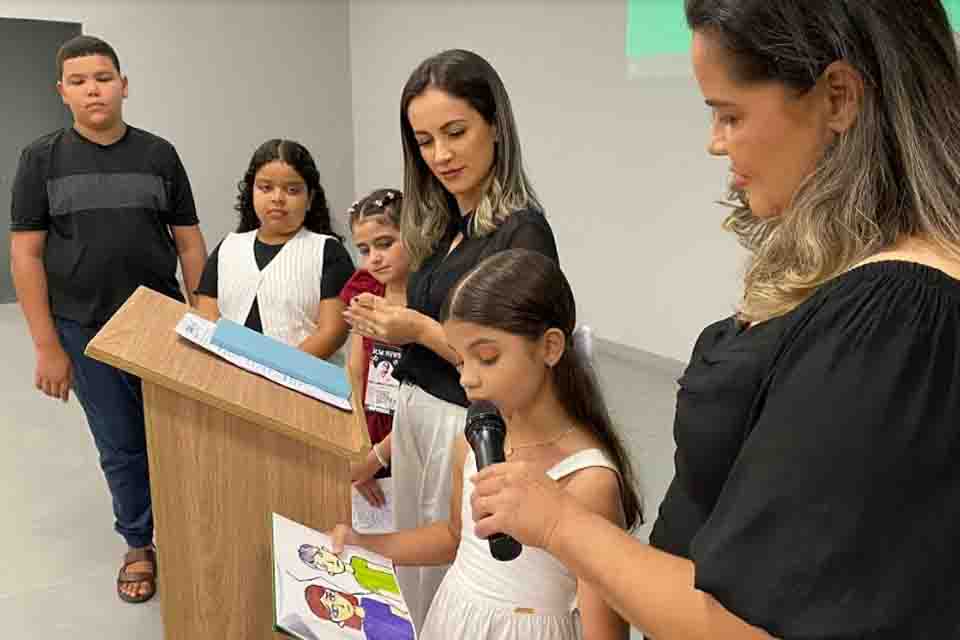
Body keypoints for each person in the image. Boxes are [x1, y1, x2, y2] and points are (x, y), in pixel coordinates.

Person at [469, 1, 960, 638]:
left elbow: (749, 625)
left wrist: (560, 522)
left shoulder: (896, 320)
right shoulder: (856, 278)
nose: (715, 142)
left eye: (730, 115)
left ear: (838, 98)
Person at [342, 48, 559, 631]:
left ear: (496, 126)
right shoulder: (442, 226)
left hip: (467, 426)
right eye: (424, 141)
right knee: (414, 575)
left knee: (449, 572)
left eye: (456, 133)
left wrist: (415, 328)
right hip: (417, 416)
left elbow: (514, 364)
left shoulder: (521, 233)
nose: (440, 155)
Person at [333, 249, 641, 639]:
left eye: (487, 358)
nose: (467, 379)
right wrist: (365, 544)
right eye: (461, 361)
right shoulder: (472, 440)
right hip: (453, 620)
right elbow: (454, 537)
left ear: (550, 347)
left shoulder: (588, 481)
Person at [9, 35, 207, 603]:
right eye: (78, 81)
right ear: (62, 92)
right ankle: (139, 543)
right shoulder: (40, 160)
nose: (92, 90)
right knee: (121, 444)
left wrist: (205, 319)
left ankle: (191, 530)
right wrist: (47, 347)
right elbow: (25, 255)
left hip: (162, 324)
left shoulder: (159, 155)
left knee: (179, 437)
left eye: (102, 78)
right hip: (85, 328)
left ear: (124, 85)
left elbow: (189, 244)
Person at [194, 139, 352, 362]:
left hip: (303, 379)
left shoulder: (328, 252)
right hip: (227, 376)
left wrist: (281, 369)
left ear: (310, 199)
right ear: (251, 192)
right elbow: (207, 318)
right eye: (266, 188)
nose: (277, 198)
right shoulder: (228, 248)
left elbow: (332, 332)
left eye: (292, 190)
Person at [338, 189, 410, 508]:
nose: (374, 259)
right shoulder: (366, 289)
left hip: (413, 432)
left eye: (385, 243)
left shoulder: (430, 298)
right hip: (370, 429)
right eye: (364, 250)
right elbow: (355, 371)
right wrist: (360, 448)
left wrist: (378, 456)